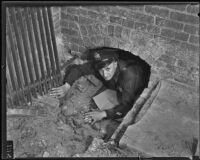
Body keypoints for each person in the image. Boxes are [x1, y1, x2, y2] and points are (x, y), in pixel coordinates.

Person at [50, 47, 151, 127]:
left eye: (108, 69)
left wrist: (103, 114)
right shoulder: (100, 67)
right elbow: (78, 69)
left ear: (115, 63)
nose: (105, 74)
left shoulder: (129, 76)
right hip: (115, 87)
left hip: (135, 85)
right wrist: (67, 86)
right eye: (101, 70)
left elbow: (127, 106)